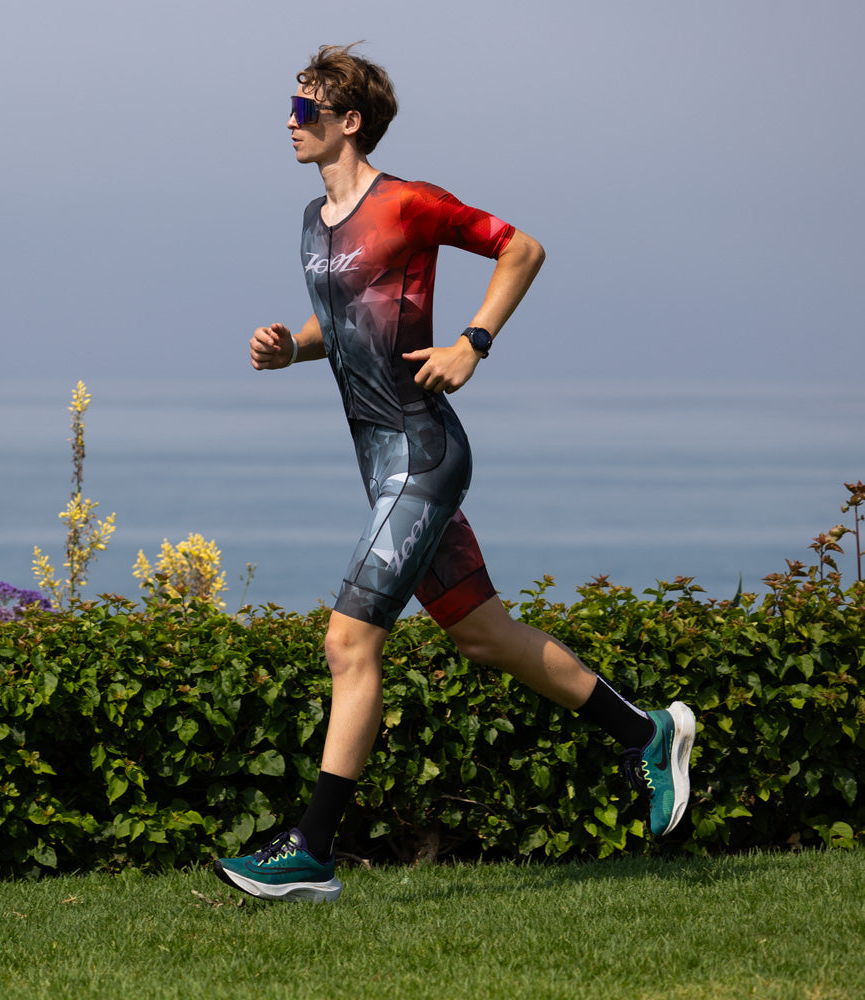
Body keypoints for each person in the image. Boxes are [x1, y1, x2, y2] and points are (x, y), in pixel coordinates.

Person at [214, 44, 696, 903]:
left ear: (348, 122)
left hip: (424, 454)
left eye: (304, 110)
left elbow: (523, 248)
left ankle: (311, 852)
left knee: (348, 641)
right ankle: (647, 731)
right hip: (381, 462)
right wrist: (293, 345)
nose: (290, 123)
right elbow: (351, 319)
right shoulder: (310, 223)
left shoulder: (408, 203)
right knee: (482, 634)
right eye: (290, 108)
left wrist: (473, 343)